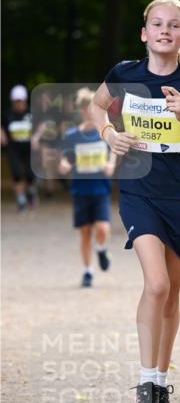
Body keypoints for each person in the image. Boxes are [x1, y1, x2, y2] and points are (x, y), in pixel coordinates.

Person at [91, 0, 180, 403]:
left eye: (174, 25)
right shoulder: (125, 74)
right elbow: (95, 104)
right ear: (144, 33)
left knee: (172, 294)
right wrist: (109, 133)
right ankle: (145, 384)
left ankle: (161, 384)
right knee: (157, 284)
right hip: (138, 191)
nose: (165, 30)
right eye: (157, 24)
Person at [59, 87, 116, 287]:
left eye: (90, 107)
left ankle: (101, 248)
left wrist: (111, 164)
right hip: (80, 190)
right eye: (84, 108)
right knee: (84, 232)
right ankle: (88, 271)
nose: (87, 111)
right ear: (81, 110)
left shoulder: (104, 132)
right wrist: (64, 165)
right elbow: (65, 159)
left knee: (102, 228)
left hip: (100, 189)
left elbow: (114, 150)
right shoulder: (72, 135)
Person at [1, 85, 38, 211]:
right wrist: (2, 134)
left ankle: (30, 192)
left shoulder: (31, 113)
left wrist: (36, 137)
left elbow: (42, 125)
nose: (19, 104)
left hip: (29, 148)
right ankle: (21, 200)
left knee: (30, 174)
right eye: (17, 101)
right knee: (16, 172)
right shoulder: (7, 114)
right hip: (13, 148)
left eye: (21, 101)